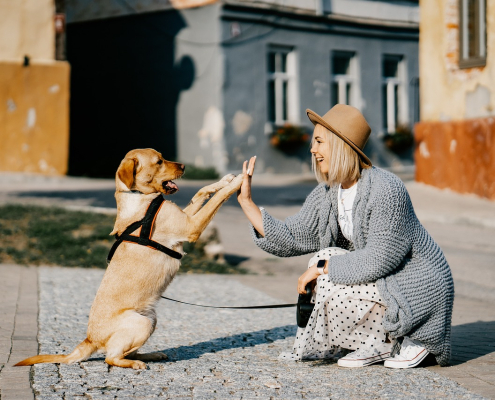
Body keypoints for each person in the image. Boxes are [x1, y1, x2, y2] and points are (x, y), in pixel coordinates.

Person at [237, 104, 454, 368]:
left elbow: (379, 259)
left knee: (325, 267)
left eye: (319, 141)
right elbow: (293, 235)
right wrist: (247, 203)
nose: (312, 149)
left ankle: (406, 338)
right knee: (323, 258)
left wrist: (321, 269)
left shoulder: (387, 190)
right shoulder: (329, 192)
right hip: (385, 282)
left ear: (340, 145)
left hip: (416, 287)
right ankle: (375, 342)